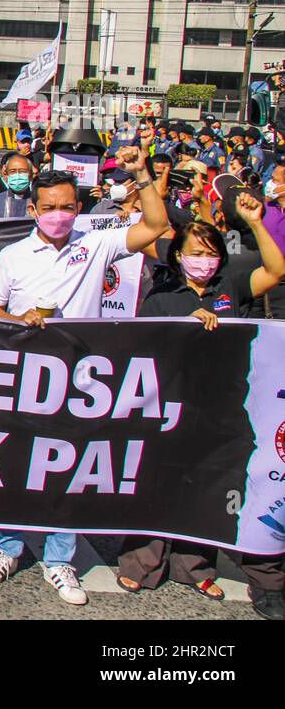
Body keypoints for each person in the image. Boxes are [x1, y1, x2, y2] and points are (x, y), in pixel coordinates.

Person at [0, 146, 169, 605]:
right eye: (49, 208)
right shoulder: (13, 256)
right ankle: (7, 547)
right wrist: (18, 320)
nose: (58, 215)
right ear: (32, 210)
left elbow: (156, 226)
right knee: (17, 464)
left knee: (69, 467)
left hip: (82, 379)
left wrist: (141, 174)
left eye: (67, 207)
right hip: (26, 376)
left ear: (78, 208)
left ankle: (60, 559)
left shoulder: (96, 244)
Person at [116, 202, 285, 609]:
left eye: (211, 253)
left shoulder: (232, 286)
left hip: (221, 408)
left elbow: (277, 272)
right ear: (178, 255)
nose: (204, 260)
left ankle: (195, 568)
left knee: (206, 487)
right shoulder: (161, 296)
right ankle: (141, 563)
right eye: (195, 251)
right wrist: (182, 329)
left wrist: (257, 223)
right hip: (170, 405)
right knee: (156, 482)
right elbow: (142, 349)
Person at [0, 152, 34, 219]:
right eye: (12, 171)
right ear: (6, 175)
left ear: (30, 175)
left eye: (23, 171)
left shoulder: (38, 201)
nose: (17, 175)